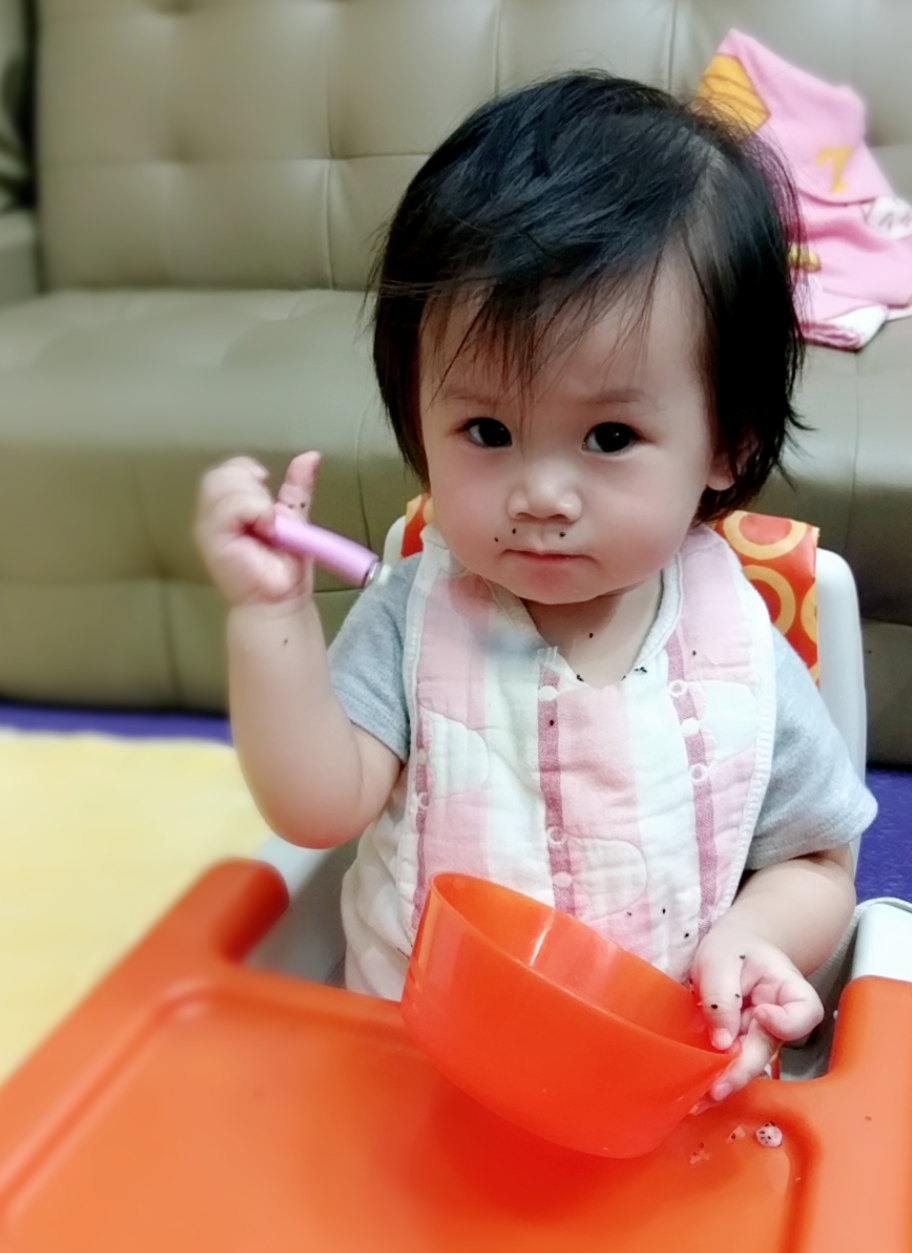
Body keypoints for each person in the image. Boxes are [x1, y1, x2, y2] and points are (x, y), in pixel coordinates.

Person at [195, 72, 876, 1105]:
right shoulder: (416, 613)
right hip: (417, 1072)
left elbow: (820, 863)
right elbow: (316, 806)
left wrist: (754, 933)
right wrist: (268, 618)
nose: (541, 494)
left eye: (610, 436)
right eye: (487, 430)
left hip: (653, 1092)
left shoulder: (741, 645)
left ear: (727, 442)